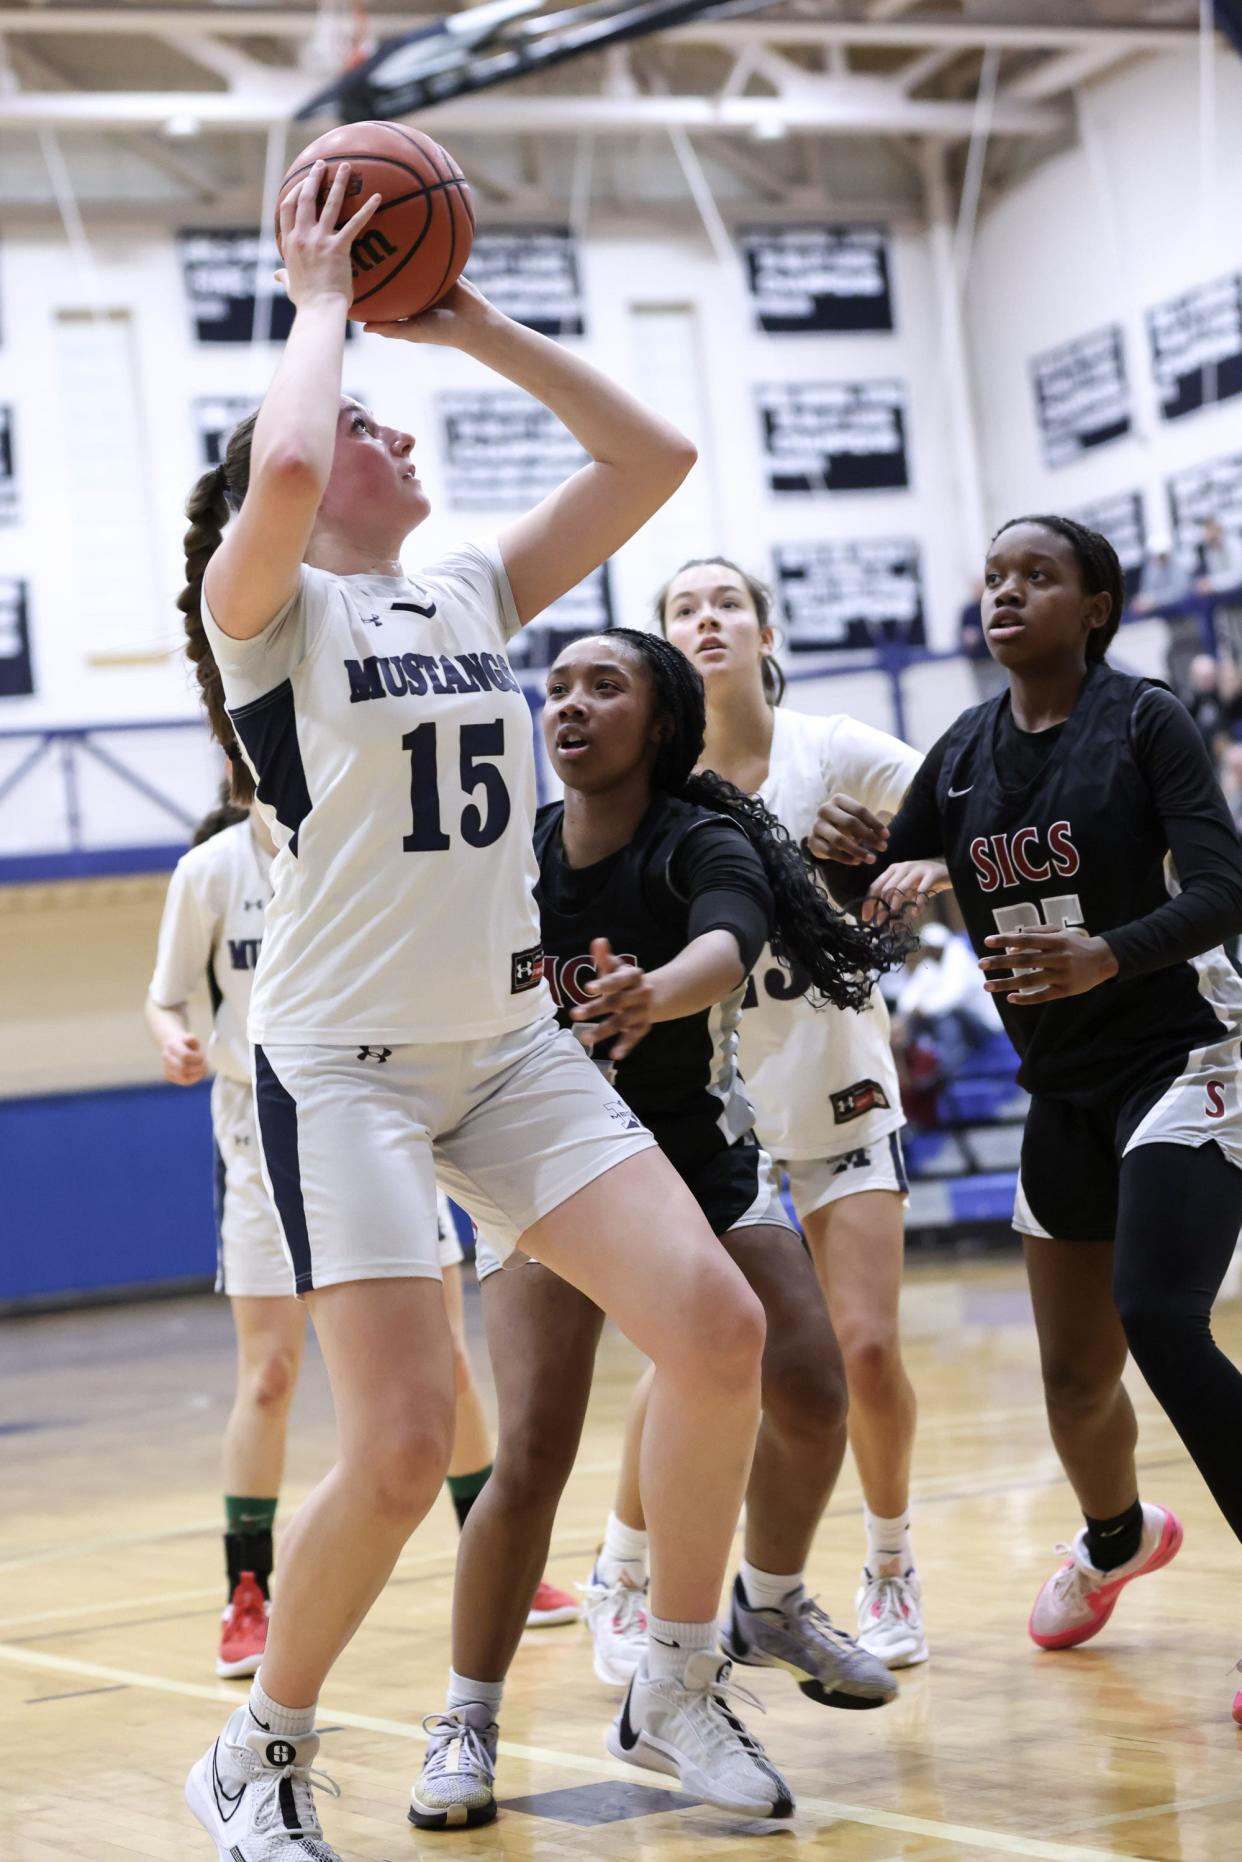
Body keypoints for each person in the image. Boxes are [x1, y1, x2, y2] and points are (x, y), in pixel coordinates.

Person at [182, 160, 797, 1857]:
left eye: (388, 411)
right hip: (348, 1065)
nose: (388, 433)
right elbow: (293, 457)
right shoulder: (269, 612)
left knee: (719, 1334)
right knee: (393, 1452)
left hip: (507, 1046)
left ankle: (671, 1673)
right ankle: (261, 1749)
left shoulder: (461, 583)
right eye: (370, 416)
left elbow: (650, 461)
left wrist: (469, 319)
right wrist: (317, 297)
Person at [411, 628, 903, 1829]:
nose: (569, 703)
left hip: (692, 1160)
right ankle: (465, 1721)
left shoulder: (702, 832)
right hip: (543, 1176)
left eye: (604, 685)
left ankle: (755, 1614)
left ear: (665, 721)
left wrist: (655, 988)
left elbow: (729, 940)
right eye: (559, 686)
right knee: (530, 1452)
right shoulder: (510, 853)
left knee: (811, 1379)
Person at [816, 514, 1242, 1721]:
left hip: (1190, 1049)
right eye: (994, 576)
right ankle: (1116, 1535)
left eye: (1037, 576)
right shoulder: (957, 755)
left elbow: (1226, 886)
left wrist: (1106, 954)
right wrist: (860, 871)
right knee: (1072, 1376)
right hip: (1062, 1082)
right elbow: (873, 914)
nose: (1007, 592)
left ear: (1095, 605)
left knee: (1159, 1313)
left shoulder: (1144, 720)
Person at [145, 785, 556, 1684]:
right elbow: (166, 1000)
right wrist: (176, 1041)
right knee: (272, 1373)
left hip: (378, 1115)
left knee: (447, 1356)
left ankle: (499, 1559)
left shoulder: (362, 829)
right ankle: (246, 1589)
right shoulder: (210, 872)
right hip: (259, 1134)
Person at [657, 558, 929, 1670]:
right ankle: (629, 1573)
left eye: (726, 601)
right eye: (683, 607)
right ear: (667, 643)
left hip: (843, 1071)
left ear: (765, 629)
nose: (706, 618)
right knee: (710, 1358)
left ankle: (891, 1560)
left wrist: (910, 861)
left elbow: (968, 811)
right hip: (726, 1108)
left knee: (865, 1346)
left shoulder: (832, 746)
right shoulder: (663, 787)